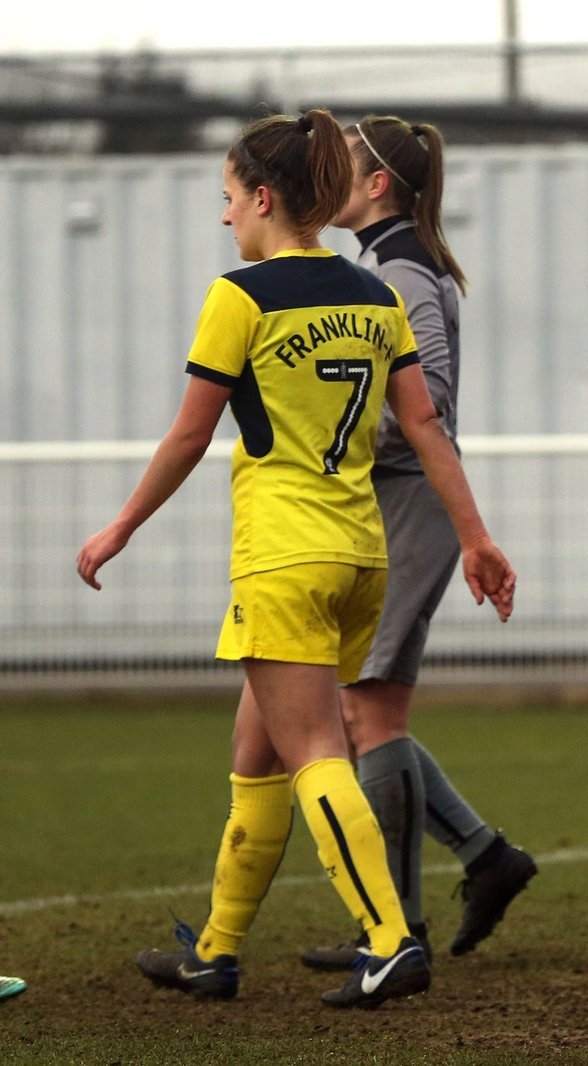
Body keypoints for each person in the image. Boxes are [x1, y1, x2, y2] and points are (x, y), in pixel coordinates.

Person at [75, 108, 516, 1009]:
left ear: (264, 198)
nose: (224, 216)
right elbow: (426, 423)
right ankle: (216, 950)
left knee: (314, 749)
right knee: (257, 750)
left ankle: (391, 941)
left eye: (228, 198)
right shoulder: (373, 294)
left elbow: (189, 435)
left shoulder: (240, 296)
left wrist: (118, 526)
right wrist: (475, 536)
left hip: (283, 555)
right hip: (362, 553)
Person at [298, 114, 536, 975]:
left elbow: (425, 399)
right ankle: (481, 860)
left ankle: (393, 931)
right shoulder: (390, 262)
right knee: (363, 713)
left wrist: (339, 436)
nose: (330, 176)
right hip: (395, 503)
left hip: (409, 504)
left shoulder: (399, 269)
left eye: (345, 165)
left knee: (368, 712)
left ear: (376, 186)